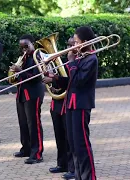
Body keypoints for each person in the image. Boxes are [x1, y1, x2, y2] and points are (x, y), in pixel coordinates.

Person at [44, 26, 97, 180]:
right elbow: (71, 82)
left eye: (76, 42)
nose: (73, 46)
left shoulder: (91, 59)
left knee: (82, 145)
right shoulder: (81, 57)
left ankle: (90, 177)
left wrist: (71, 62)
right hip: (71, 104)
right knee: (73, 145)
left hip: (81, 105)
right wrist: (55, 78)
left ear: (85, 42)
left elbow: (80, 81)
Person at [44, 37, 75, 179]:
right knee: (59, 135)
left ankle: (72, 167)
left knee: (69, 137)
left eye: (72, 44)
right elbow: (57, 82)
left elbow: (71, 83)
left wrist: (55, 79)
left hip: (67, 103)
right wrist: (51, 83)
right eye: (68, 45)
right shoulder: (60, 63)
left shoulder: (76, 64)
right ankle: (61, 164)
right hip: (56, 104)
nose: (69, 47)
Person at [11, 35, 45, 164]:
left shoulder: (38, 57)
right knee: (23, 122)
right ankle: (26, 148)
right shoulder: (23, 58)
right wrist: (14, 74)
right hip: (22, 93)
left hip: (33, 94)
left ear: (33, 44)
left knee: (33, 123)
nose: (24, 50)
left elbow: (37, 77)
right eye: (22, 48)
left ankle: (37, 153)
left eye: (26, 46)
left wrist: (21, 70)